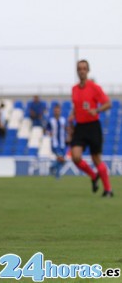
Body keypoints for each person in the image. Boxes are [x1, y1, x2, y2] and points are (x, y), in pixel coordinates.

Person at [69, 60, 113, 197]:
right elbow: (77, 106)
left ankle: (108, 190)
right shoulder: (74, 89)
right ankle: (93, 176)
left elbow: (108, 104)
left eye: (84, 68)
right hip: (80, 127)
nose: (82, 71)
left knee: (96, 159)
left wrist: (97, 110)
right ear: (77, 71)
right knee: (75, 156)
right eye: (79, 68)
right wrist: (72, 115)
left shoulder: (94, 87)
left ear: (88, 71)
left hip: (93, 126)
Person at [46, 104, 67, 179]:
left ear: (60, 111)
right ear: (54, 111)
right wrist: (49, 133)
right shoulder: (51, 120)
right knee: (61, 158)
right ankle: (57, 175)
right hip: (55, 144)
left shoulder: (63, 120)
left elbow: (66, 129)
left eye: (58, 110)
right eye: (55, 111)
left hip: (63, 143)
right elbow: (47, 130)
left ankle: (52, 167)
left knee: (61, 159)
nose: (57, 112)